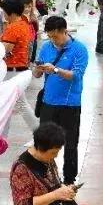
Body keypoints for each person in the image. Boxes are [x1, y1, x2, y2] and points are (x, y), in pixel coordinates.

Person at [34, 16, 89, 185]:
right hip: (48, 102)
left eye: (55, 36)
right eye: (50, 36)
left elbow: (76, 75)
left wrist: (56, 69)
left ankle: (69, 179)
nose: (53, 40)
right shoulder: (46, 47)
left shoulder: (79, 49)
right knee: (43, 142)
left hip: (69, 104)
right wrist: (38, 69)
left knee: (70, 143)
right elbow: (37, 74)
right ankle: (42, 175)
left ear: (64, 31)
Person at [0, 0, 38, 133]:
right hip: (19, 66)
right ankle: (2, 134)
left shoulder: (13, 27)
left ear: (11, 12)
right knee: (9, 103)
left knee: (19, 103)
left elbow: (6, 49)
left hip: (11, 69)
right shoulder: (23, 24)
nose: (3, 14)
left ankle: (39, 132)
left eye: (4, 11)